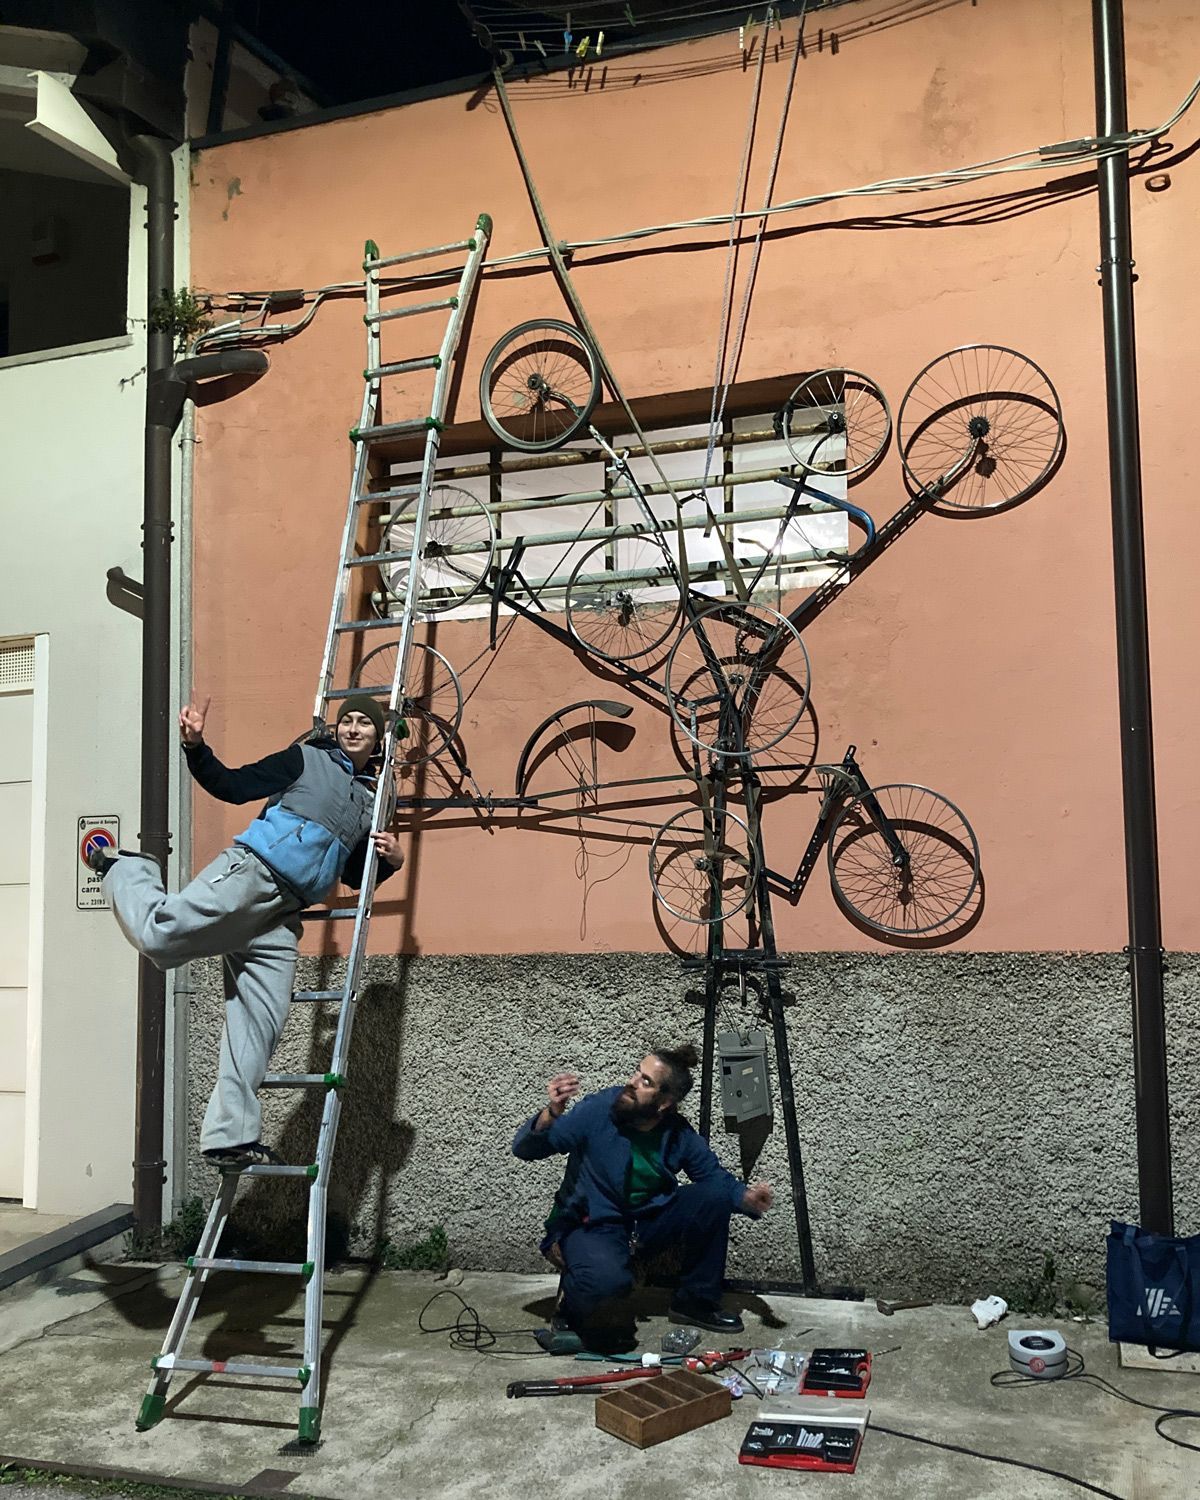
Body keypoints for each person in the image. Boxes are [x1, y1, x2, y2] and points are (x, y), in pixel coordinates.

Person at [88, 694, 405, 1171]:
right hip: (250, 877)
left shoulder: (370, 801)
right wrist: (196, 745)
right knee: (160, 940)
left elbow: (354, 875)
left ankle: (228, 1137)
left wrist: (392, 862)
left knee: (260, 1023)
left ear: (378, 737)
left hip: (283, 915)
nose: (354, 729)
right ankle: (125, 868)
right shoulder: (306, 760)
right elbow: (232, 786)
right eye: (348, 721)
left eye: (365, 723)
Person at [512, 1045, 773, 1353]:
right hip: (590, 1224)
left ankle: (694, 1301)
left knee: (715, 1196)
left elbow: (713, 1177)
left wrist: (745, 1197)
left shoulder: (676, 1133)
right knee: (610, 1295)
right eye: (637, 1072)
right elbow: (527, 1149)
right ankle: (572, 1304)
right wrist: (551, 1113)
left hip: (644, 1224)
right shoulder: (599, 1109)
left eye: (646, 1081)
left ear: (664, 1103)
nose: (633, 1082)